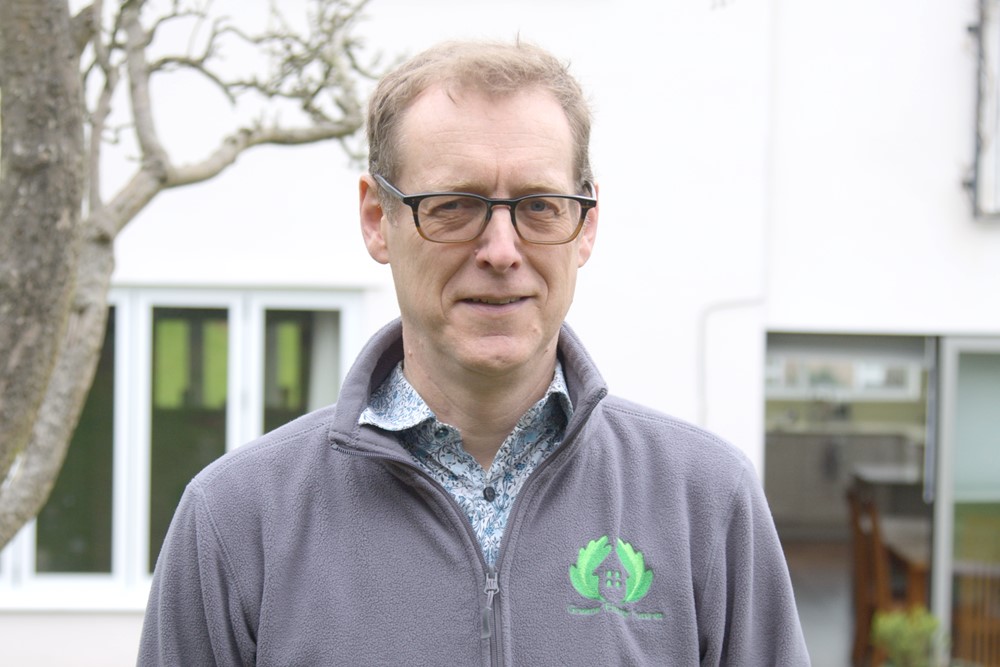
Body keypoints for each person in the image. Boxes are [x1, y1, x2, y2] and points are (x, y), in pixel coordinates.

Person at [138, 40, 810, 666]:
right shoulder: (235, 522)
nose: (500, 250)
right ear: (378, 218)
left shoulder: (706, 503)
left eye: (539, 205)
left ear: (587, 224)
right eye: (455, 206)